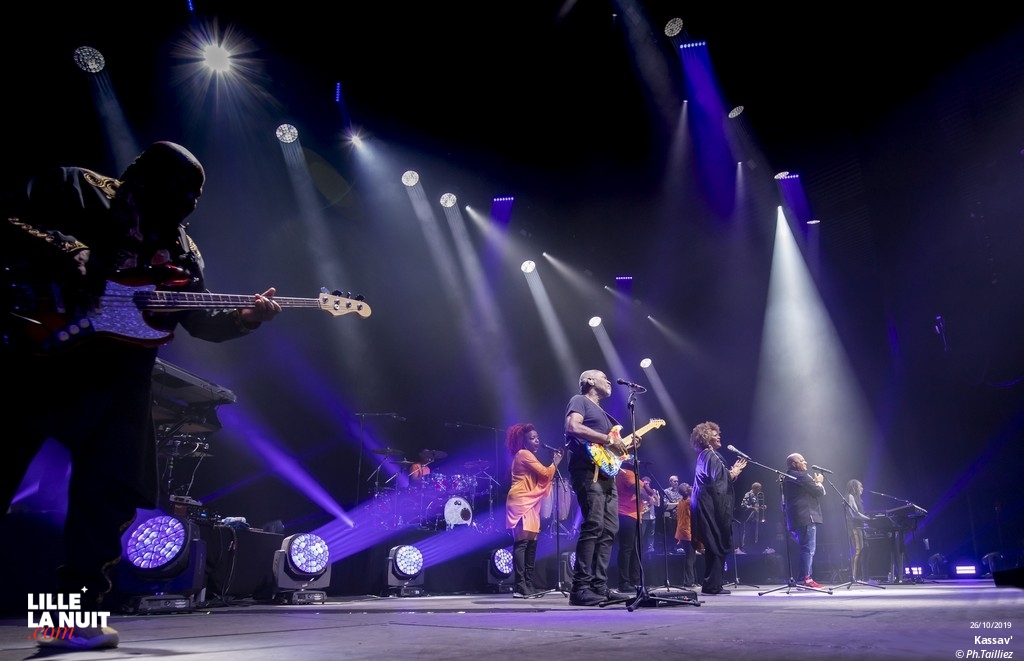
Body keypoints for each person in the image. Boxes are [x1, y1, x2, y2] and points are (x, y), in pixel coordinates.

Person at [0, 142, 282, 649]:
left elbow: (194, 319)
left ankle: (67, 623)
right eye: (178, 189)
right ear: (139, 175)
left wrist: (244, 320)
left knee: (105, 502)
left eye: (195, 196)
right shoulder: (76, 187)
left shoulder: (183, 252)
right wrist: (69, 249)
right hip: (36, 360)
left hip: (120, 380)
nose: (188, 203)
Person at [564, 369, 629, 606]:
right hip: (586, 471)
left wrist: (623, 446)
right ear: (590, 381)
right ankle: (580, 588)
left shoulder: (604, 414)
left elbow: (606, 447)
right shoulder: (579, 400)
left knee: (610, 528)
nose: (609, 381)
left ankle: (599, 586)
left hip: (605, 473)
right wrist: (609, 440)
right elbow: (573, 427)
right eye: (604, 377)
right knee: (593, 526)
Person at [504, 423, 563, 598]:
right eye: (532, 438)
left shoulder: (528, 455)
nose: (537, 441)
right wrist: (556, 462)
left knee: (531, 544)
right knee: (522, 544)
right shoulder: (523, 454)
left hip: (531, 501)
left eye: (537, 437)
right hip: (521, 500)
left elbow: (542, 475)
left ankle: (528, 584)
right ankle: (520, 586)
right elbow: (545, 473)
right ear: (523, 441)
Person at [689, 421, 746, 595]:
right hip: (710, 507)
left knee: (715, 543)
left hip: (706, 505)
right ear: (705, 438)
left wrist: (730, 474)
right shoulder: (709, 455)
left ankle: (713, 585)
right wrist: (734, 473)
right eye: (714, 434)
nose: (719, 436)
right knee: (715, 543)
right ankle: (712, 586)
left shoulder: (707, 456)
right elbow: (718, 482)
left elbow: (718, 479)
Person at [782, 453, 827, 588]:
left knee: (805, 548)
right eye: (802, 460)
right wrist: (819, 481)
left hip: (795, 518)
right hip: (806, 516)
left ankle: (804, 577)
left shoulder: (788, 477)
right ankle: (805, 578)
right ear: (794, 464)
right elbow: (819, 492)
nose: (805, 462)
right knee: (808, 549)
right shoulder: (801, 476)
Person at [613, 462, 642, 593]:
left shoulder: (633, 474)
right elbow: (635, 489)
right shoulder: (625, 473)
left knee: (635, 550)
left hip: (635, 515)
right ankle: (624, 582)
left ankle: (635, 580)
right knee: (627, 549)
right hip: (626, 515)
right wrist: (648, 492)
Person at [845, 479, 873, 582]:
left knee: (866, 550)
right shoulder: (850, 497)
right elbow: (855, 514)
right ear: (854, 487)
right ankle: (854, 577)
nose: (862, 488)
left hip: (861, 527)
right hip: (854, 528)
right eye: (860, 486)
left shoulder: (858, 499)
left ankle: (865, 577)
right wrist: (870, 519)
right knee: (858, 551)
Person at [673, 481, 700, 588]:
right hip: (687, 531)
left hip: (682, 532)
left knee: (691, 557)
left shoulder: (681, 501)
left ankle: (690, 580)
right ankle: (689, 582)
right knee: (690, 558)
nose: (691, 487)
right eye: (689, 487)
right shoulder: (689, 501)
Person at [739, 481, 765, 552]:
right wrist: (752, 508)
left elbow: (756, 507)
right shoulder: (748, 494)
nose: (760, 490)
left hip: (755, 518)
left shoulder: (756, 495)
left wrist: (760, 507)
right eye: (759, 489)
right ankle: (745, 548)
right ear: (755, 488)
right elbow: (743, 505)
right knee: (747, 533)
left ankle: (753, 548)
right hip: (748, 518)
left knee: (754, 533)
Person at [640, 475, 659, 553]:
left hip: (652, 516)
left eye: (647, 484)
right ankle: (640, 548)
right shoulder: (640, 491)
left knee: (651, 533)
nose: (645, 485)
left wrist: (652, 500)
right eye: (644, 484)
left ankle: (650, 548)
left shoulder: (654, 491)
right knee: (641, 533)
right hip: (643, 516)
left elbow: (658, 504)